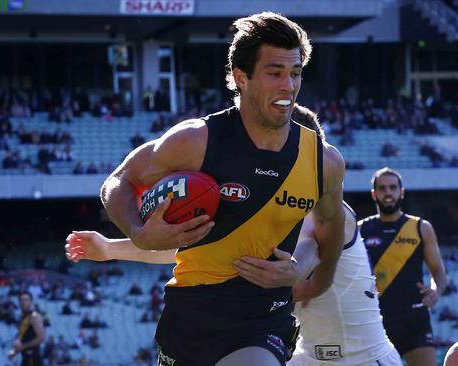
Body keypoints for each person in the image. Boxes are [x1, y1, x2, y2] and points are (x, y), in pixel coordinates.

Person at [98, 12, 345, 366]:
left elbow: (329, 226)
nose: (288, 86)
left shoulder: (325, 162)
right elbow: (120, 181)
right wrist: (139, 232)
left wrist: (310, 272)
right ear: (240, 77)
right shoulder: (194, 140)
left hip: (263, 320)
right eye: (275, 73)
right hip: (188, 318)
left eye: (295, 74)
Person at [66, 105, 400, 366]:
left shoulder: (328, 212)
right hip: (310, 356)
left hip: (363, 358)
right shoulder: (270, 214)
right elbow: (194, 249)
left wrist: (295, 270)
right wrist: (112, 248)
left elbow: (308, 253)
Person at [359, 167, 448, 366]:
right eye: (382, 188)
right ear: (374, 194)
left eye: (392, 187)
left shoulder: (420, 227)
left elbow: (439, 273)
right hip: (375, 319)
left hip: (414, 318)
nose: (388, 192)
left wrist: (435, 291)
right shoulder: (360, 229)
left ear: (402, 192)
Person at [8, 291, 45, 366]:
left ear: (31, 302)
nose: (24, 302)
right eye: (21, 300)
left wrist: (23, 346)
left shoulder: (34, 316)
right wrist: (14, 352)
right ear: (19, 302)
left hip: (33, 358)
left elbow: (41, 338)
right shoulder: (22, 317)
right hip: (25, 357)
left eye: (26, 300)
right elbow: (22, 338)